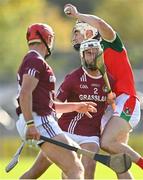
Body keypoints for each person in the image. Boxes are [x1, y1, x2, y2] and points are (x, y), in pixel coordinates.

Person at [64, 3, 143, 179]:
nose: (74, 37)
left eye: (77, 32)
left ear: (89, 31)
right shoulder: (89, 57)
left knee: (107, 142)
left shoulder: (110, 43)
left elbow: (100, 23)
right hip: (113, 107)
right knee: (119, 162)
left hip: (127, 100)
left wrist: (78, 14)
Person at [16, 22, 97, 179]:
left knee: (72, 151)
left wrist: (76, 106)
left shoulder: (33, 60)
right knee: (76, 168)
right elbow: (25, 94)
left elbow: (48, 105)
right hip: (39, 121)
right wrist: (30, 124)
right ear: (48, 39)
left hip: (38, 119)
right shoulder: (35, 60)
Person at [56, 39, 114, 179]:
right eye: (88, 53)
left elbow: (113, 107)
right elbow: (56, 103)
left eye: (96, 53)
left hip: (91, 134)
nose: (92, 56)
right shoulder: (73, 78)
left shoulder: (109, 80)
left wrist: (112, 101)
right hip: (67, 130)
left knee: (89, 168)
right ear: (82, 56)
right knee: (71, 172)